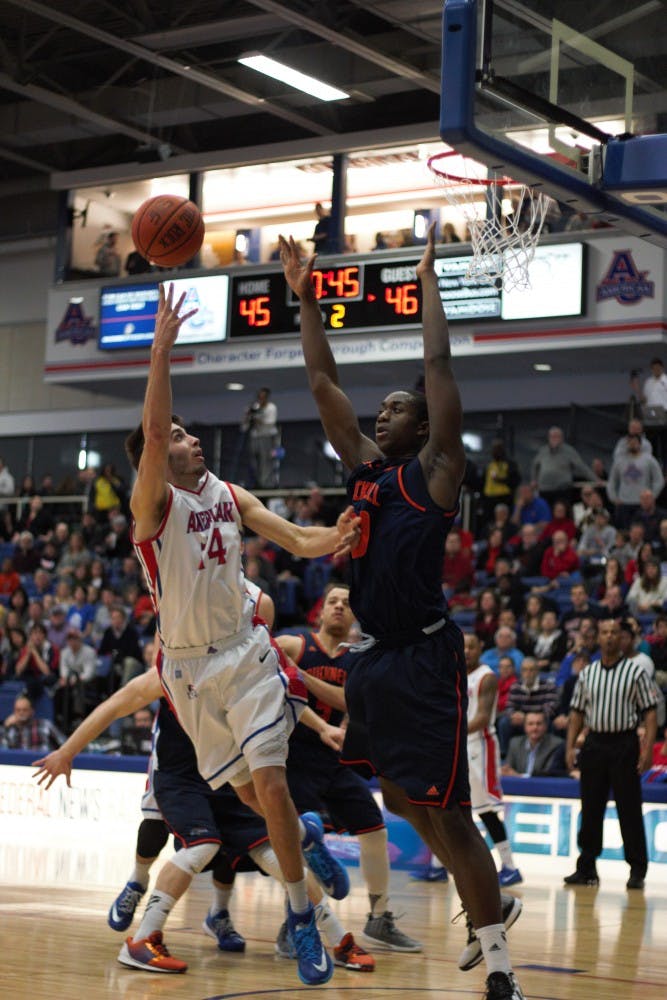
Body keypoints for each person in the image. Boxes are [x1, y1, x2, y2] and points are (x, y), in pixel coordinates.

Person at [279, 223, 525, 1000]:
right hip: (373, 659)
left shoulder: (437, 472)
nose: (380, 419)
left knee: (449, 814)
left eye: (394, 412)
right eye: (378, 413)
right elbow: (323, 385)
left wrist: (425, 285)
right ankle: (481, 893)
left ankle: (497, 967)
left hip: (421, 658)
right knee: (396, 798)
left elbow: (436, 363)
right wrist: (304, 298)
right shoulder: (361, 472)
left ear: (423, 429)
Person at [122, 282, 362, 986]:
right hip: (189, 675)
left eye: (192, 435)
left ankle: (298, 915)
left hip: (245, 657)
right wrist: (160, 351)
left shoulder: (230, 495)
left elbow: (297, 539)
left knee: (271, 786)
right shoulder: (151, 507)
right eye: (181, 437)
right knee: (258, 801)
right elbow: (156, 429)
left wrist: (337, 537)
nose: (192, 440)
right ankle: (304, 855)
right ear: (162, 456)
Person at [32, 654, 363, 976]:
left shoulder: (247, 657)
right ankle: (142, 934)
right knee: (199, 844)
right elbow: (115, 705)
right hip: (182, 778)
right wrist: (67, 751)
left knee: (276, 851)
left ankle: (337, 938)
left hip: (232, 776)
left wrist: (321, 727)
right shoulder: (172, 667)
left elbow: (285, 693)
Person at [276, 583, 421, 953]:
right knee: (298, 842)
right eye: (332, 602)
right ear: (320, 612)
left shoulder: (358, 658)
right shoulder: (295, 645)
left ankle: (379, 919)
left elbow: (347, 701)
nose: (339, 607)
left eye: (346, 603)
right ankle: (294, 921)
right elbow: (264, 668)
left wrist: (301, 678)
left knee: (374, 828)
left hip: (335, 757)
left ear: (354, 615)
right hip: (293, 756)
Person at [564, 618, 658, 889]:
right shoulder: (588, 673)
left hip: (624, 743)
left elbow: (650, 713)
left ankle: (637, 869)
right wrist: (571, 746)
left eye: (613, 633)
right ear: (598, 637)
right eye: (604, 632)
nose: (608, 637)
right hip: (594, 744)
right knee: (590, 807)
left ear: (622, 638)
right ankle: (587, 867)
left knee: (629, 808)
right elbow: (576, 713)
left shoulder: (635, 671)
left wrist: (648, 749)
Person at [606, 435, 665, 529]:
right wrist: (613, 498)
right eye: (630, 442)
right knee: (625, 530)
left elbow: (659, 480)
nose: (632, 445)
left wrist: (652, 497)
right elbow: (612, 481)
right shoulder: (619, 461)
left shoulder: (649, 460)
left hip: (642, 503)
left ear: (640, 444)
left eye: (635, 442)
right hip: (624, 503)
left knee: (643, 530)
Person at [531, 427, 596, 508]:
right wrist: (534, 480)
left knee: (562, 513)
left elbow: (581, 467)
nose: (554, 438)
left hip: (562, 490)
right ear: (548, 438)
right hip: (544, 489)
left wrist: (595, 479)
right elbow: (535, 466)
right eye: (552, 436)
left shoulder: (569, 451)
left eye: (557, 436)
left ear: (562, 438)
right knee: (546, 515)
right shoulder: (542, 451)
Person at [501, 710, 566, 777]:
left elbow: (548, 774)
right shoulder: (515, 743)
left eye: (539, 724)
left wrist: (519, 776)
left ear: (546, 726)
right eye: (530, 724)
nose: (535, 727)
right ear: (525, 727)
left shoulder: (556, 745)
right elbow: (508, 770)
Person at [242, 387, 279, 489]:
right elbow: (245, 426)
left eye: (264, 397)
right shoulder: (255, 407)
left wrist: (259, 419)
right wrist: (248, 416)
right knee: (254, 461)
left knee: (266, 460)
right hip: (255, 436)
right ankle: (257, 482)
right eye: (260, 397)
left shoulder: (271, 407)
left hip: (267, 436)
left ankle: (267, 484)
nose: (261, 399)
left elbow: (270, 424)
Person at [481, 440, 520, 526]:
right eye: (494, 449)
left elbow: (515, 480)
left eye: (498, 449)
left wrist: (500, 480)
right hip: (489, 499)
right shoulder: (489, 465)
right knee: (489, 522)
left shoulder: (510, 464)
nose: (496, 452)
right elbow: (483, 482)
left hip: (504, 498)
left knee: (504, 521)